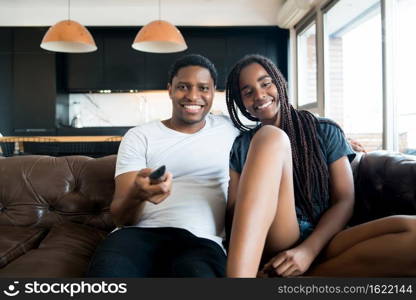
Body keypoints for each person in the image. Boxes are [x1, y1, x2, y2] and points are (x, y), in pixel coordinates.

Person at [224, 54, 416, 277]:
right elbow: (234, 212)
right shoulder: (242, 145)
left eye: (266, 83)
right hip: (278, 237)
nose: (259, 95)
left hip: (324, 237)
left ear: (279, 83)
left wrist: (307, 252)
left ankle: (279, 277)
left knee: (411, 231)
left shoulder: (324, 130)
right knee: (270, 137)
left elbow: (344, 201)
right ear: (243, 105)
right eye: (247, 92)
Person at [86, 54, 239, 277]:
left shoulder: (230, 129)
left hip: (201, 241)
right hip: (136, 236)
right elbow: (120, 218)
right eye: (183, 87)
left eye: (203, 88)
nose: (193, 96)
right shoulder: (140, 136)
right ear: (170, 90)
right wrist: (138, 194)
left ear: (213, 91)